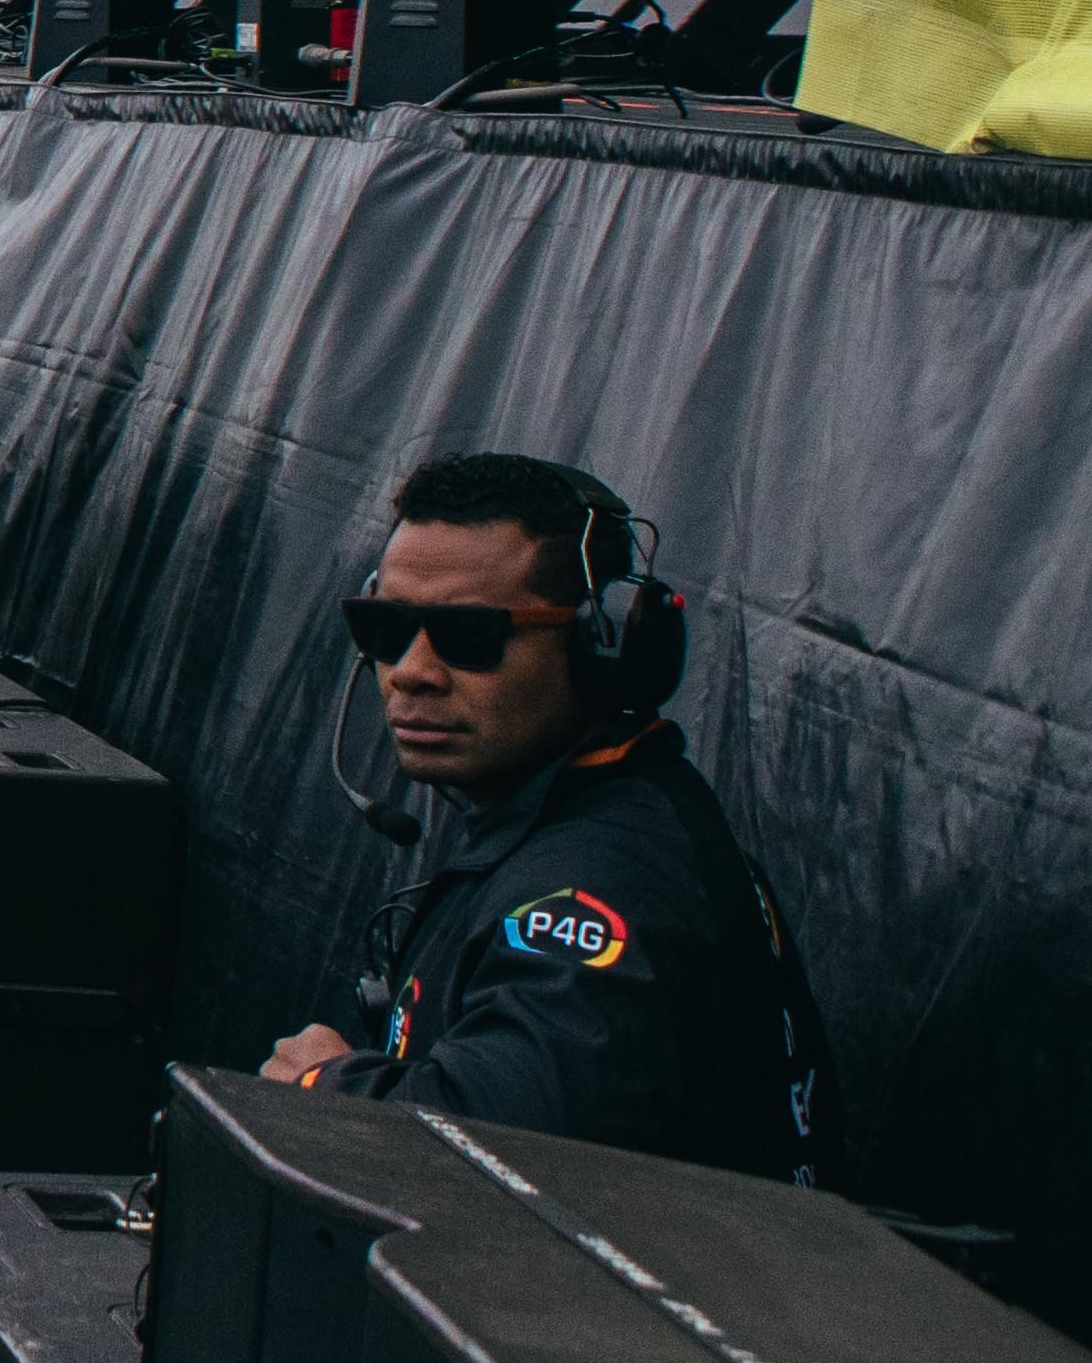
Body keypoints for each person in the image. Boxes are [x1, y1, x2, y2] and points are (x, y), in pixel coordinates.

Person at [265, 452, 828, 1181]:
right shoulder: (588, 816)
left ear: (603, 646)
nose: (411, 668)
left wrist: (322, 1086)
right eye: (385, 627)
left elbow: (494, 1163)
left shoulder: (603, 885)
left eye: (469, 635)